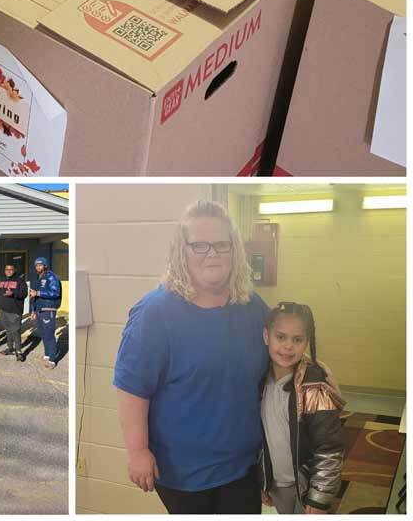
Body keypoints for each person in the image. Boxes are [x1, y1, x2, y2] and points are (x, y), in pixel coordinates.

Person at [114, 199, 269, 514]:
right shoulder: (155, 313)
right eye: (199, 245)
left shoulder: (252, 306)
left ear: (234, 251)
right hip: (184, 475)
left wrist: (314, 372)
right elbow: (132, 390)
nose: (212, 254)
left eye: (222, 245)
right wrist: (138, 451)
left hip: (243, 466)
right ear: (180, 252)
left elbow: (280, 358)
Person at [260, 302, 345, 514]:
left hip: (306, 488)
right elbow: (260, 439)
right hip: (277, 484)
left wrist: (319, 498)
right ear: (266, 336)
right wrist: (263, 482)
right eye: (281, 337)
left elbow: (330, 449)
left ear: (307, 343)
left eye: (297, 340)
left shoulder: (314, 388)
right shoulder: (259, 380)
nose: (288, 346)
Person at [30, 256, 63, 368]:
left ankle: (52, 361)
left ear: (45, 265)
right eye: (36, 265)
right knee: (43, 334)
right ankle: (47, 355)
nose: (38, 267)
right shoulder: (39, 277)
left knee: (49, 335)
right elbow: (34, 294)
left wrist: (39, 293)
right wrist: (33, 310)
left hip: (48, 309)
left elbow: (55, 293)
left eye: (40, 265)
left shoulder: (52, 277)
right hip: (39, 309)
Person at [0, 262, 27, 362]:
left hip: (15, 311)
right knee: (8, 330)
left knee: (16, 331)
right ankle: (10, 348)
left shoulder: (20, 281)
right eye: (6, 269)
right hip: (4, 310)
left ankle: (19, 351)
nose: (8, 271)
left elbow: (24, 294)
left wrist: (13, 293)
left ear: (14, 270)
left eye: (11, 269)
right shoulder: (1, 280)